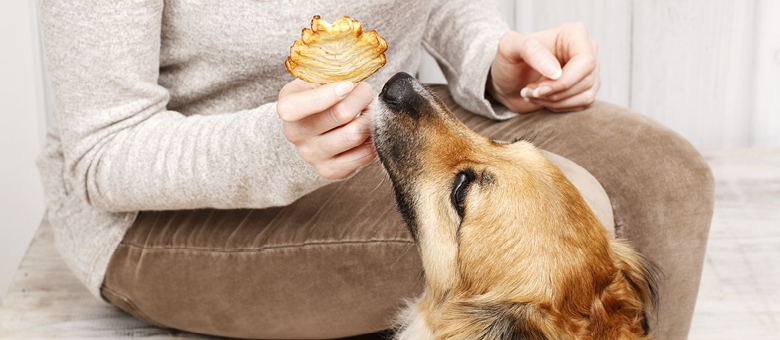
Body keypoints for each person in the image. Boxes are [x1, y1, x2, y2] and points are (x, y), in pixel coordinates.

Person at [37, 1, 713, 339]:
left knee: (666, 178)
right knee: (518, 262)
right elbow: (102, 151)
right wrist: (277, 146)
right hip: (159, 214)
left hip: (373, 118)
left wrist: (488, 55)